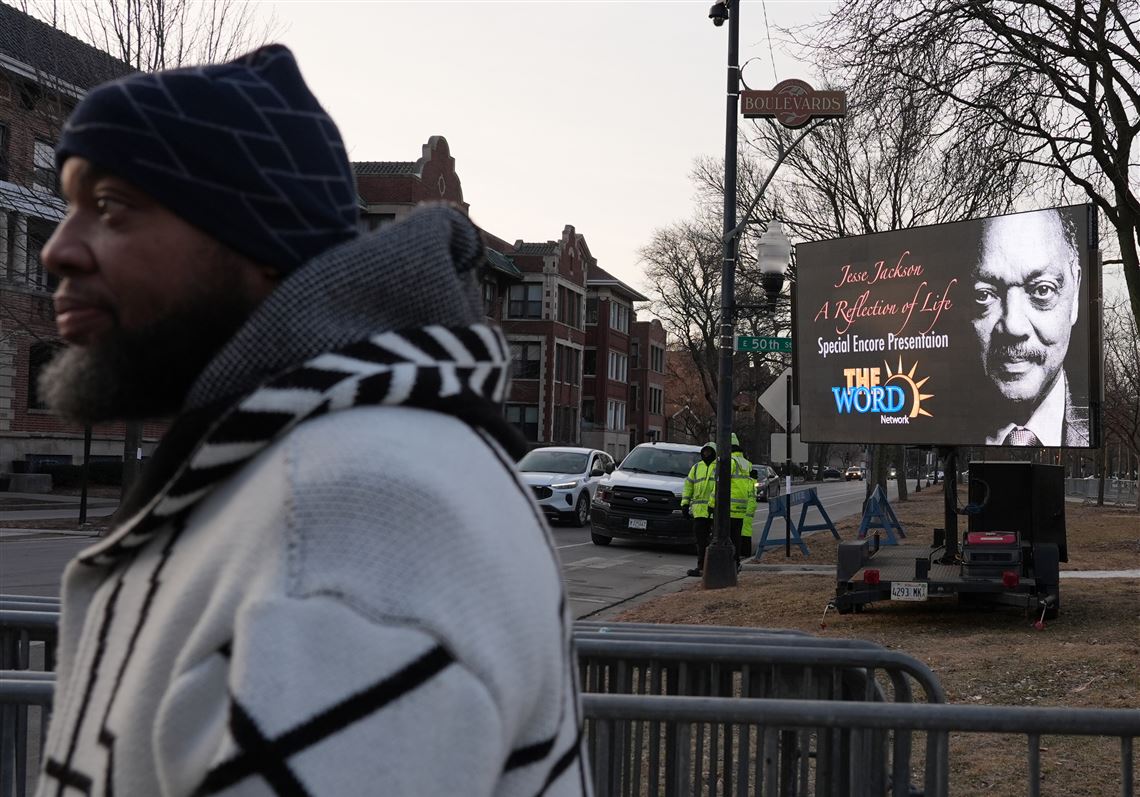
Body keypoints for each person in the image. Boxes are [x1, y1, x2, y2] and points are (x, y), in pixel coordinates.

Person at [34, 45, 590, 797]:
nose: (57, 249)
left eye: (110, 207)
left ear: (260, 239)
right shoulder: (304, 470)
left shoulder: (351, 520)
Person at [970, 208, 1090, 447]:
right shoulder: (940, 422)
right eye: (984, 295)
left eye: (1042, 290)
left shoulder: (1100, 424)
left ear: (1075, 290)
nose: (1013, 326)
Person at [681, 442, 717, 577]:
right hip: (699, 513)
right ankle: (701, 567)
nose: (706, 454)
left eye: (709, 452)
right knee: (701, 542)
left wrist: (713, 505)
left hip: (714, 512)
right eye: (704, 452)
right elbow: (688, 486)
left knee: (713, 541)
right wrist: (685, 504)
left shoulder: (719, 468)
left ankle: (712, 567)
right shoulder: (696, 468)